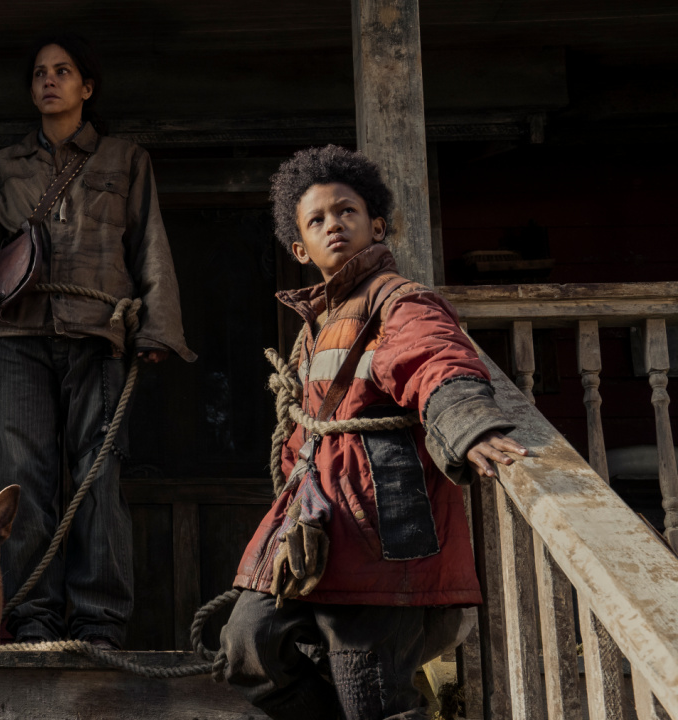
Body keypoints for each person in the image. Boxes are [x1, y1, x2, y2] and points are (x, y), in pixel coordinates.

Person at [218, 145, 527, 720]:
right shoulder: (314, 327)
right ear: (299, 249)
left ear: (375, 224)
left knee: (372, 697)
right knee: (247, 646)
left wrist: (469, 425)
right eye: (317, 220)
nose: (333, 224)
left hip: (384, 532)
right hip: (316, 525)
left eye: (346, 212)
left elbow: (435, 360)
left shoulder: (400, 303)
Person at [0, 32, 195, 650]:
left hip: (98, 336)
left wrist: (157, 328)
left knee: (97, 478)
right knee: (21, 482)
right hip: (16, 337)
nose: (48, 81)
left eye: (62, 71)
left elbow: (150, 248)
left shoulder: (125, 160)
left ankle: (99, 622)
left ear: (87, 87)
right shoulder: (1, 169)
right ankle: (31, 617)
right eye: (38, 74)